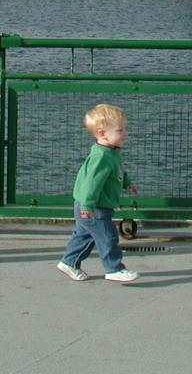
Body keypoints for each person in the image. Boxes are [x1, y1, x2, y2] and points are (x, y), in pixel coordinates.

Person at [57, 103, 141, 283]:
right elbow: (91, 183)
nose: (125, 134)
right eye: (120, 130)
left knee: (85, 236)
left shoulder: (111, 153)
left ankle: (70, 262)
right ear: (103, 133)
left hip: (91, 206)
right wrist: (88, 206)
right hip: (94, 207)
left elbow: (117, 171)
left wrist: (127, 183)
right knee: (107, 236)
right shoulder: (101, 157)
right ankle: (114, 268)